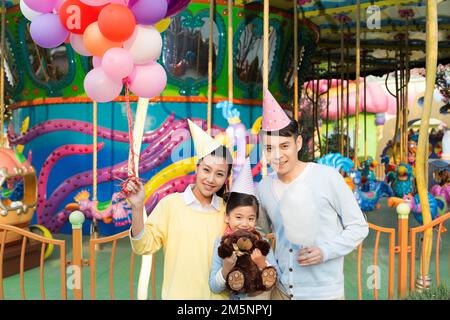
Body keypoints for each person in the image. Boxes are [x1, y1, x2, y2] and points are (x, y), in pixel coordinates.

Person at [256, 89, 369, 300]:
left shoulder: (327, 177)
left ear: (298, 144)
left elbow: (359, 227)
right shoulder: (263, 187)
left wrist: (325, 251)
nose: (277, 155)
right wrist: (271, 266)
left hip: (324, 293)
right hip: (281, 291)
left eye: (284, 146)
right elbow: (260, 234)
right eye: (270, 148)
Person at [127, 119, 232, 299]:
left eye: (219, 174)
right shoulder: (171, 204)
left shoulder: (227, 212)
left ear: (226, 178)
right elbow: (143, 246)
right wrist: (137, 208)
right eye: (206, 170)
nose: (211, 179)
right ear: (197, 168)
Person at [209, 158, 278, 300]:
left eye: (251, 218)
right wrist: (226, 269)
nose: (245, 224)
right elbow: (214, 287)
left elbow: (276, 275)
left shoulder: (261, 241)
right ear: (227, 217)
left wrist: (261, 263)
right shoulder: (222, 244)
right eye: (238, 217)